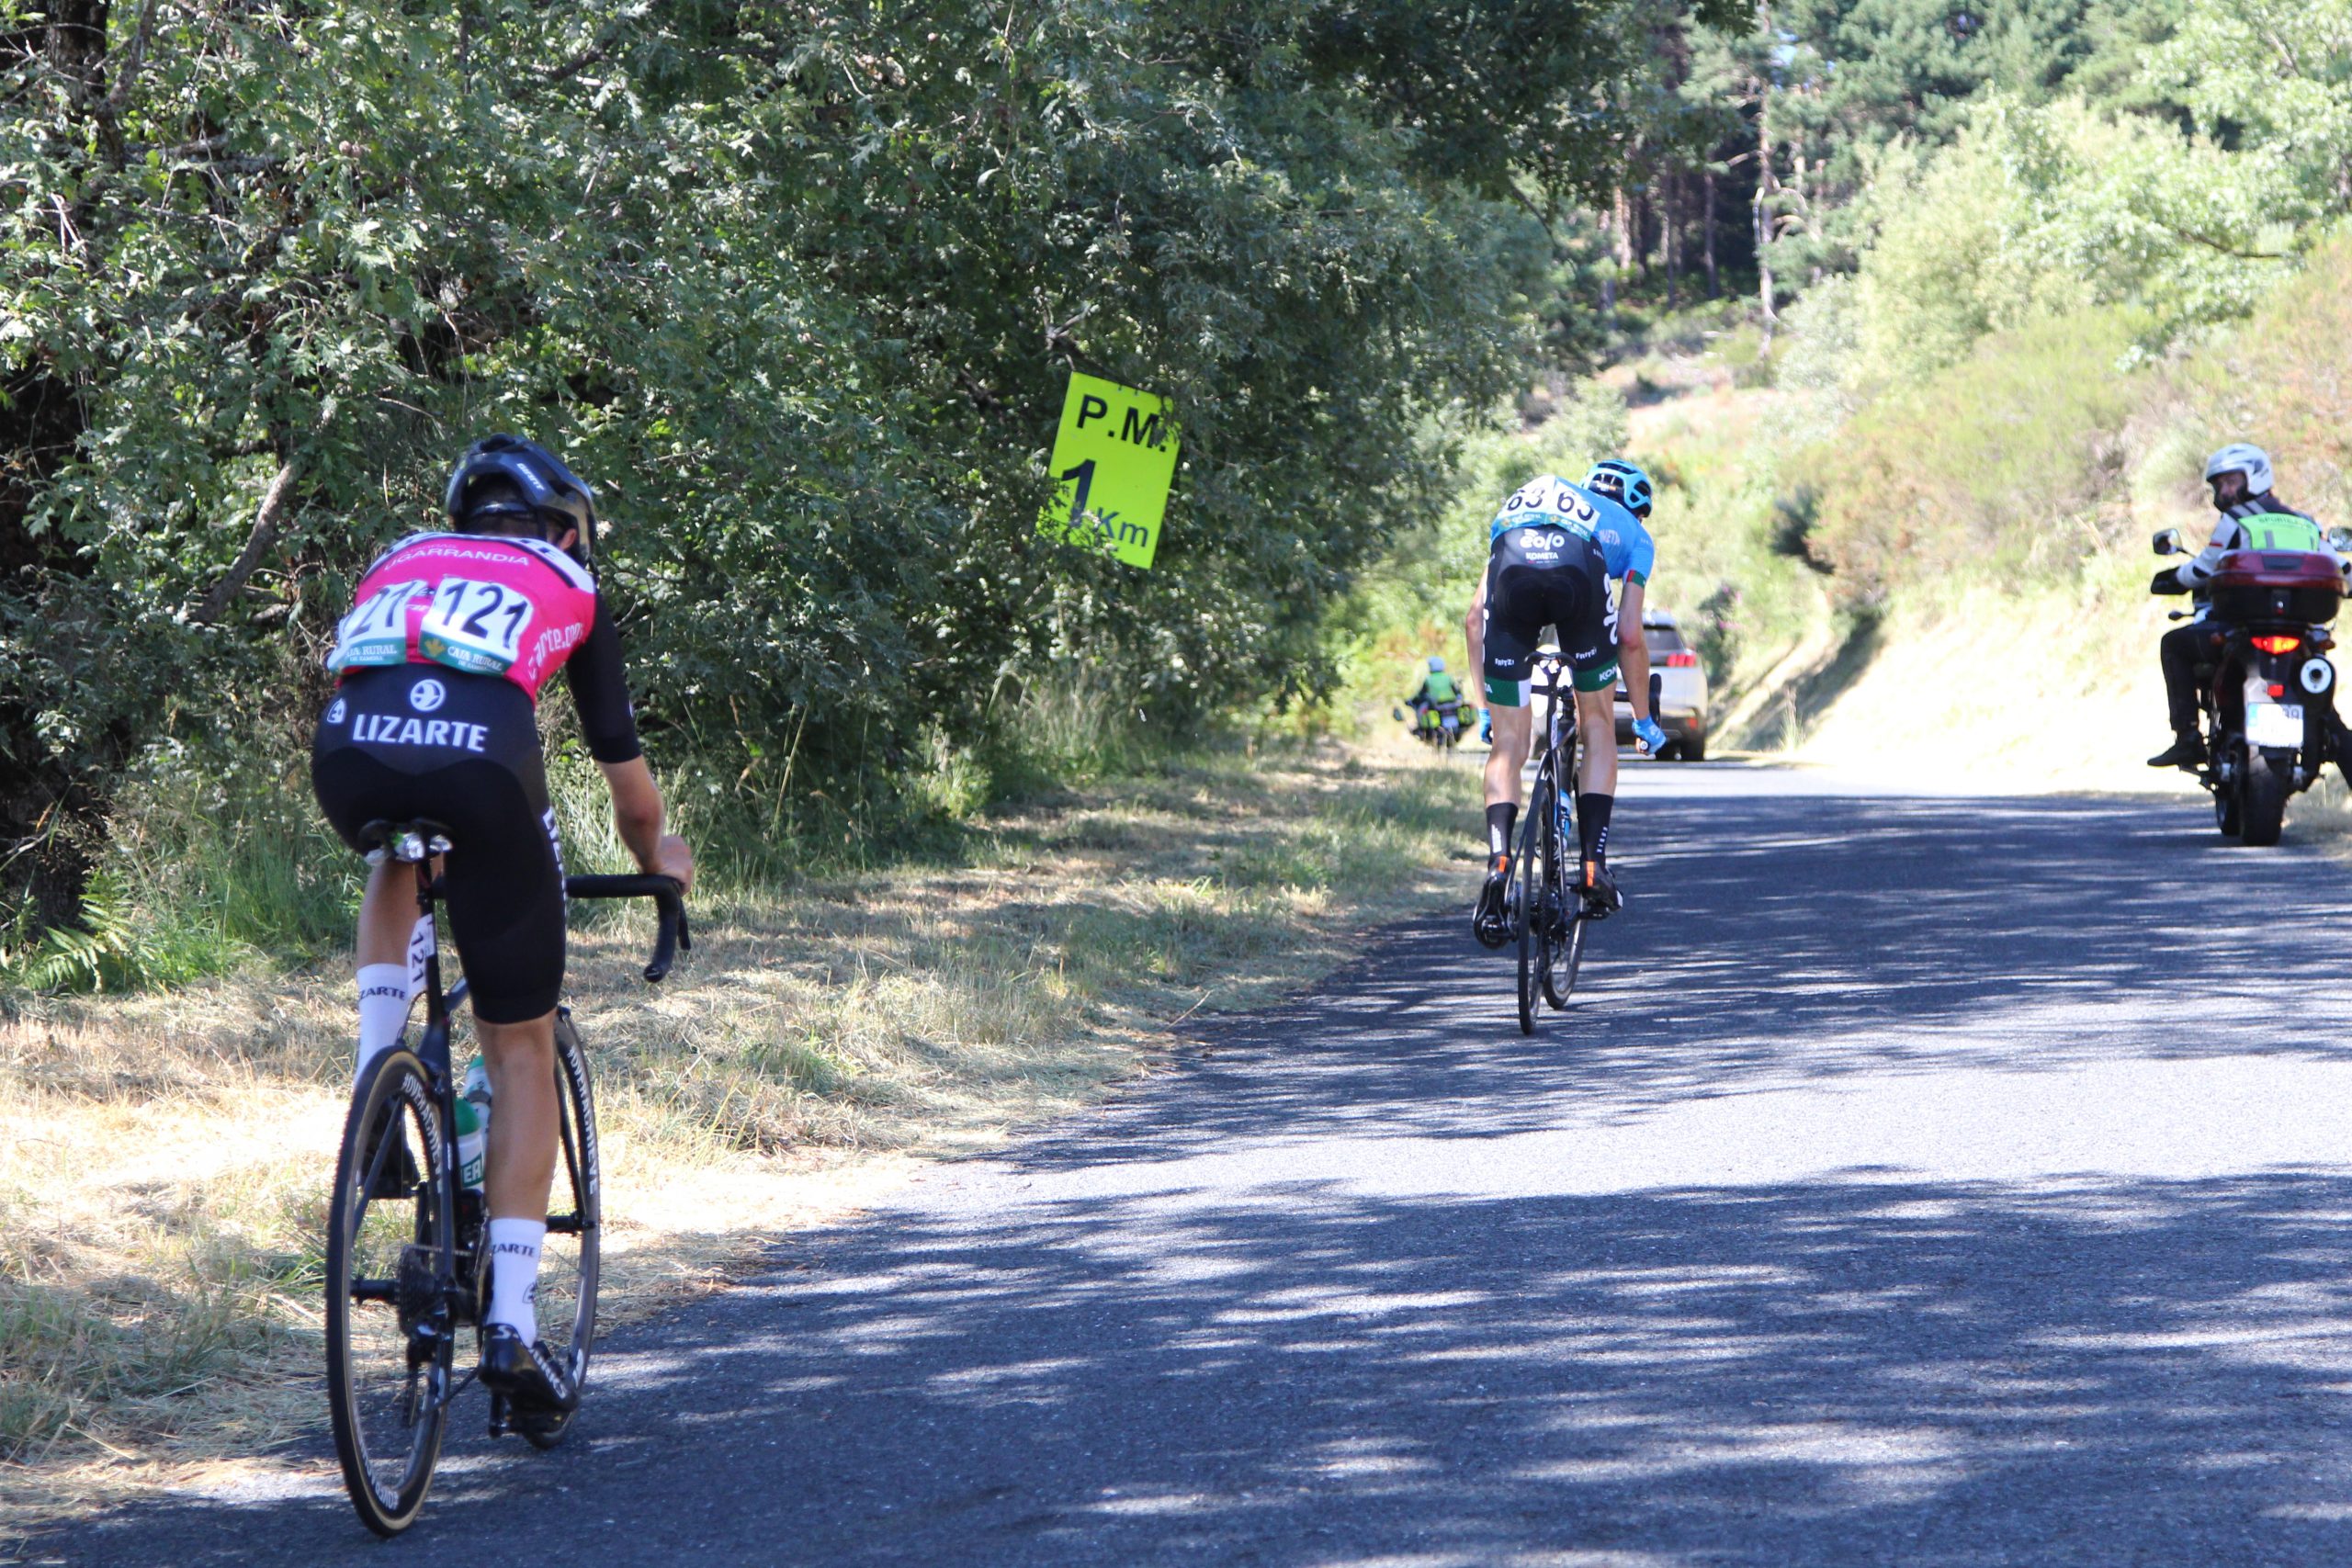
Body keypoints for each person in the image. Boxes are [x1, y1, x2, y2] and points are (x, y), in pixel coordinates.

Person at [311, 434, 693, 1431]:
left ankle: (376, 1082)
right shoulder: (568, 578)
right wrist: (662, 864)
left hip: (348, 759)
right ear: (568, 530)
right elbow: (630, 790)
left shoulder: (400, 556)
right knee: (521, 1049)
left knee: (398, 849)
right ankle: (514, 1324)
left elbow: (380, 685)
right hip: (484, 766)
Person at [1466, 457, 1668, 947]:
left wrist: (1484, 710)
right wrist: (1643, 720)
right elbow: (1629, 634)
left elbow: (1474, 620)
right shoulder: (1637, 538)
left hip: (1511, 556)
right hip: (1579, 568)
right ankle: (1595, 867)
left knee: (1509, 746)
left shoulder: (1534, 502)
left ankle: (1497, 865)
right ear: (1638, 508)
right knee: (1598, 726)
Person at [2148, 444, 2329, 769]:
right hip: (2301, 631)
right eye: (2219, 485)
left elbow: (2202, 569)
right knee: (2329, 715)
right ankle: (2333, 742)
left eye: (2232, 481)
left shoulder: (2236, 520)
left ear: (2256, 477)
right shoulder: (2306, 523)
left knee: (2174, 644)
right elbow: (2338, 569)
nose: (2225, 491)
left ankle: (2188, 737)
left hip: (2242, 628)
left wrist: (2172, 577)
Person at [1406, 655, 1464, 736]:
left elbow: (1420, 694)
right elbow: (1457, 691)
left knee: (1421, 711)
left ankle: (1422, 731)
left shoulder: (1428, 679)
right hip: (1452, 704)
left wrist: (1411, 700)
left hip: (1435, 705)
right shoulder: (1448, 677)